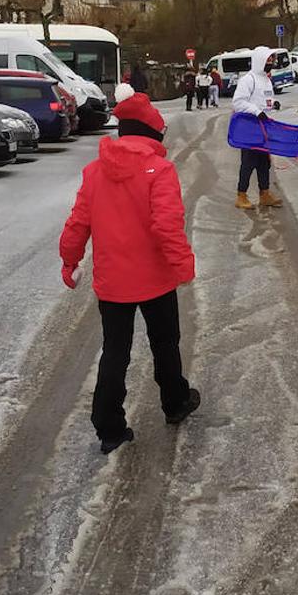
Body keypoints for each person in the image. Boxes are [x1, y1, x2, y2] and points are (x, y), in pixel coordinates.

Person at [59, 84, 201, 454]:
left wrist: (70, 259)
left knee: (115, 351)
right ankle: (175, 402)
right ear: (152, 134)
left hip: (113, 282)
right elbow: (167, 224)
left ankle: (109, 427)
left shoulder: (95, 172)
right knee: (165, 344)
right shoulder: (161, 169)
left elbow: (78, 222)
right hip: (155, 280)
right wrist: (182, 265)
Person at [232, 46, 283, 210]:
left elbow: (264, 100)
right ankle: (241, 195)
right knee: (248, 162)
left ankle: (265, 194)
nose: (272, 62)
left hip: (264, 129)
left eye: (272, 60)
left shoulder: (267, 79)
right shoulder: (248, 79)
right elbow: (238, 102)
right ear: (260, 60)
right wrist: (256, 112)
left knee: (264, 163)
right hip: (249, 129)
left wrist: (273, 105)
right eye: (269, 59)